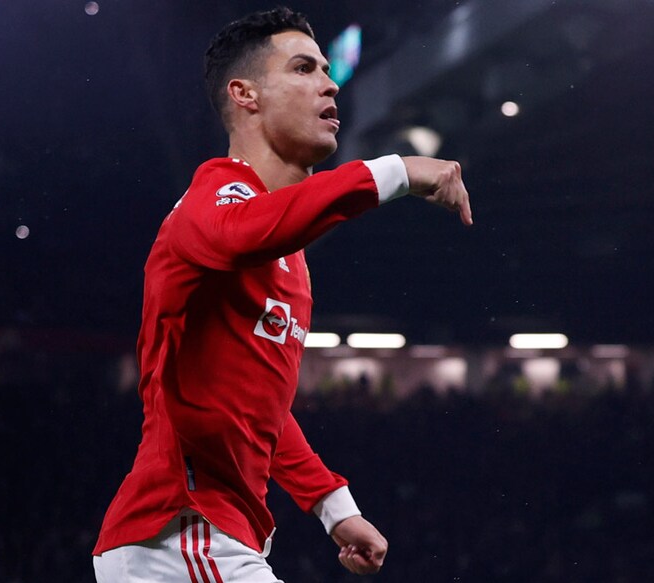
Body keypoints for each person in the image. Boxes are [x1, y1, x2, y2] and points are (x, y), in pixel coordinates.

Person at [92, 6, 472, 583]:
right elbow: (243, 230)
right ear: (245, 95)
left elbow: (261, 413)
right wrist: (398, 171)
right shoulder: (209, 201)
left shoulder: (290, 259)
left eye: (325, 69)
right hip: (181, 530)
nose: (330, 82)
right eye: (303, 68)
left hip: (210, 537)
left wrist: (334, 508)